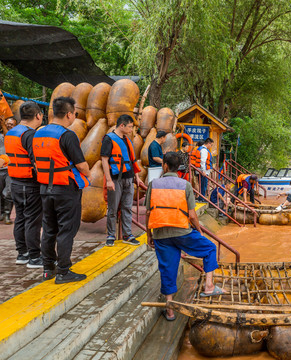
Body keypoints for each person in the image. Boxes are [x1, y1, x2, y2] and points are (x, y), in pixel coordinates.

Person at [146, 152, 224, 321]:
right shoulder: (185, 185)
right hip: (182, 232)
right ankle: (209, 286)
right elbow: (192, 215)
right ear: (179, 167)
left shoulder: (154, 184)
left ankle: (170, 310)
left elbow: (147, 212)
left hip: (160, 234)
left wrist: (148, 235)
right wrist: (199, 230)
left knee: (168, 268)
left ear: (165, 166)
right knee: (210, 248)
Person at [33, 96, 91, 283]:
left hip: (45, 189)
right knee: (66, 230)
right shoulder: (67, 135)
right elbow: (82, 166)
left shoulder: (38, 133)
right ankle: (64, 271)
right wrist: (88, 172)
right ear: (68, 114)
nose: (75, 116)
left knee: (49, 228)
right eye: (75, 113)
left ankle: (48, 268)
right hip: (65, 189)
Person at [5, 101, 43, 267]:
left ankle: (22, 253)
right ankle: (34, 257)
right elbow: (36, 162)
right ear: (38, 116)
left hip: (14, 182)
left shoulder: (11, 133)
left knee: (20, 218)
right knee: (32, 220)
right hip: (29, 183)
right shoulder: (29, 134)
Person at [101, 114, 144, 247]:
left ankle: (127, 234)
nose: (131, 130)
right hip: (115, 179)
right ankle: (111, 234)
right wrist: (108, 180)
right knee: (113, 208)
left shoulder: (127, 140)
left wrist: (136, 177)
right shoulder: (109, 139)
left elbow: (132, 159)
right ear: (122, 125)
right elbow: (104, 159)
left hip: (129, 178)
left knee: (127, 207)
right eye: (130, 127)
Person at [0, 116, 15, 224]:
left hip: (10, 169)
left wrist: (3, 125)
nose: (9, 125)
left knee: (8, 192)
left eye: (12, 124)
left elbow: (7, 135)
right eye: (7, 123)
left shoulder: (13, 136)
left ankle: (7, 214)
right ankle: (1, 213)